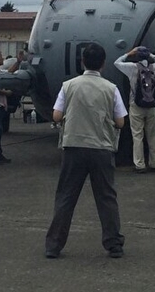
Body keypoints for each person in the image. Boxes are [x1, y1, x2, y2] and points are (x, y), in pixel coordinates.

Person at [45, 42, 127, 259]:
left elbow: (56, 115)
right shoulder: (111, 88)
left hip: (73, 146)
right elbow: (120, 121)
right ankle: (114, 244)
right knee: (106, 197)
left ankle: (54, 245)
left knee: (66, 196)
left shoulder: (68, 85)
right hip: (101, 148)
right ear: (103, 63)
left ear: (82, 62)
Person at [115, 46, 155, 172]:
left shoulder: (132, 67)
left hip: (136, 105)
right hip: (152, 105)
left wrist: (129, 53)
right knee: (152, 136)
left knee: (137, 135)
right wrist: (151, 54)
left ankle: (140, 164)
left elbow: (117, 63)